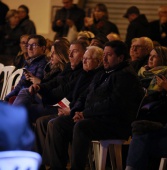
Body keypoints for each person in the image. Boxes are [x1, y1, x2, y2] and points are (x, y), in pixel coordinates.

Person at [47, 40, 144, 169]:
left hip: (115, 123)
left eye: (109, 55)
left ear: (120, 58)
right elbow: (84, 96)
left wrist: (85, 114)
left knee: (81, 127)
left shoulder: (125, 76)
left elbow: (112, 104)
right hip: (95, 118)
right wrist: (75, 111)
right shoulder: (103, 72)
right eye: (103, 54)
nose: (104, 58)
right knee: (59, 124)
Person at [34, 46, 103, 168]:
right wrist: (68, 108)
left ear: (98, 61)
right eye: (84, 59)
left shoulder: (96, 76)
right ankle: (45, 164)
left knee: (54, 123)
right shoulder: (83, 73)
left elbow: (89, 100)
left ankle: (56, 166)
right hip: (72, 109)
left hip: (85, 115)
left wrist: (72, 110)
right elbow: (73, 95)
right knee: (41, 121)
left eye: (88, 59)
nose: (84, 61)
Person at [13, 40, 88, 123]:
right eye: (70, 52)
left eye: (54, 53)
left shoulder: (81, 72)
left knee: (25, 96)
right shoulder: (67, 68)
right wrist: (38, 87)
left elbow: (60, 92)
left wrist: (40, 90)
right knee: (24, 105)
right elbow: (52, 83)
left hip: (60, 106)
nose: (50, 56)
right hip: (51, 101)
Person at [4, 34, 47, 102]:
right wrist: (7, 98)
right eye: (28, 45)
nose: (29, 48)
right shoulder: (29, 62)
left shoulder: (43, 63)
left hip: (32, 100)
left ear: (43, 48)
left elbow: (35, 88)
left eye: (34, 45)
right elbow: (20, 84)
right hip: (23, 97)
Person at [137, 46, 167, 124]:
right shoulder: (143, 73)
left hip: (157, 117)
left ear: (163, 58)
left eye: (154, 56)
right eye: (150, 56)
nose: (150, 59)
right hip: (140, 113)